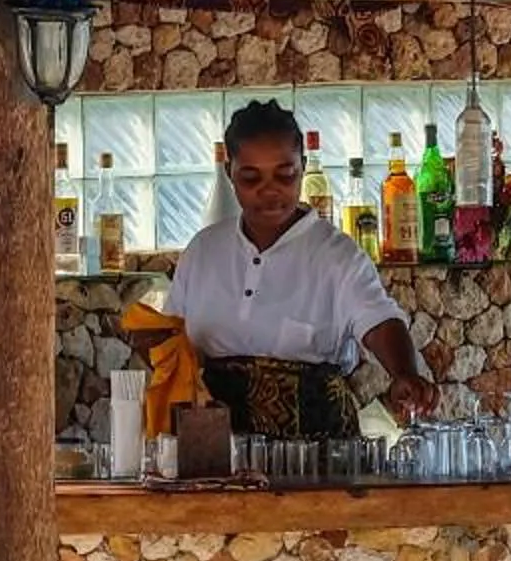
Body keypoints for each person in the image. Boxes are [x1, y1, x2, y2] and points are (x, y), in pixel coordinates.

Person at [138, 98, 435, 437]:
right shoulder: (203, 251)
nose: (269, 190)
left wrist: (404, 374)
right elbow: (174, 340)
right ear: (228, 172)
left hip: (314, 461)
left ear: (303, 167)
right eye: (251, 177)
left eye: (285, 174)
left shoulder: (337, 255)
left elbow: (379, 321)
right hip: (212, 453)